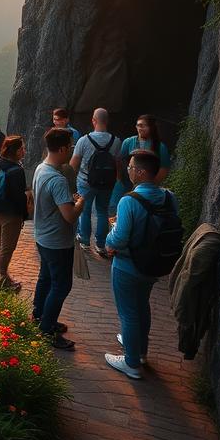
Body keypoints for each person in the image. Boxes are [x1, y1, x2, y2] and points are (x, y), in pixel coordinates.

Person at [103, 149, 176, 379]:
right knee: (142, 307)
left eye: (131, 167)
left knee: (128, 313)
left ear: (141, 172)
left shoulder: (129, 200)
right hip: (155, 262)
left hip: (128, 264)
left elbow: (121, 237)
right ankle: (141, 352)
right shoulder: (168, 197)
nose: (128, 170)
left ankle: (132, 363)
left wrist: (108, 239)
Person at [32, 128, 85, 349]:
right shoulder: (58, 179)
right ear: (63, 148)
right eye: (71, 147)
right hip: (57, 242)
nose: (72, 150)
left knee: (46, 278)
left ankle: (39, 317)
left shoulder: (40, 168)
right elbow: (70, 215)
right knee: (61, 285)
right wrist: (80, 201)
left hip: (42, 237)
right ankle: (47, 329)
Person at [70, 107, 122, 255]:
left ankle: (85, 241)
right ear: (107, 121)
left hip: (86, 181)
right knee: (102, 211)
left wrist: (69, 181)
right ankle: (100, 244)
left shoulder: (84, 140)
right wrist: (118, 180)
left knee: (84, 211)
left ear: (93, 120)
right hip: (107, 182)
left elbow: (74, 164)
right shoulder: (116, 141)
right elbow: (118, 163)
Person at [0, 136, 29, 291]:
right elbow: (19, 197)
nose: (24, 151)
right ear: (17, 150)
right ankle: (3, 281)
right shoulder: (17, 170)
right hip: (11, 215)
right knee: (7, 249)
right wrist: (24, 215)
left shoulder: (0, 163)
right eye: (22, 148)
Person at [111, 114, 171, 210]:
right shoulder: (128, 142)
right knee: (116, 210)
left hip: (147, 186)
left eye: (143, 126)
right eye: (138, 125)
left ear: (151, 127)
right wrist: (119, 178)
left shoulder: (160, 147)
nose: (140, 128)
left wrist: (151, 183)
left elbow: (164, 169)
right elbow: (119, 161)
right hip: (126, 182)